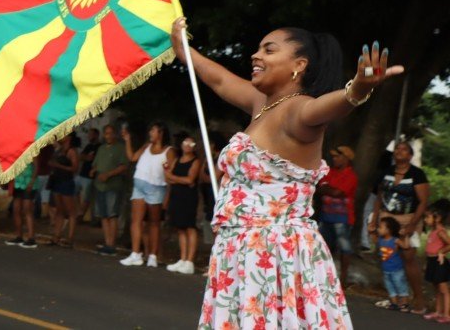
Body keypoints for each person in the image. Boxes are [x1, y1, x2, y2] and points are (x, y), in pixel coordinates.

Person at [172, 19, 402, 328]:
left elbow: (329, 106)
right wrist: (185, 50)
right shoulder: (262, 104)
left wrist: (358, 89)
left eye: (269, 49)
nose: (256, 55)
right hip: (238, 251)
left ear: (299, 65)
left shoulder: (299, 110)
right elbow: (220, 81)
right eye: (257, 49)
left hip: (275, 256)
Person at [368, 141, 430, 314]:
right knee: (388, 254)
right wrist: (375, 218)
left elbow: (423, 202)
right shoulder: (386, 173)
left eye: (404, 149)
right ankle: (397, 297)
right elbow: (380, 196)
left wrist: (411, 225)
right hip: (387, 218)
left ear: (410, 155)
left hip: (409, 217)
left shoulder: (417, 174)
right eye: (397, 148)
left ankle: (419, 299)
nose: (399, 151)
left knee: (408, 257)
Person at [120, 122, 174, 268]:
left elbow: (170, 173)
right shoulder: (146, 146)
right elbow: (132, 157)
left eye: (153, 130)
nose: (150, 133)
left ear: (161, 133)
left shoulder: (168, 151)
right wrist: (127, 140)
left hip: (156, 187)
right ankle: (136, 253)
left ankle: (152, 256)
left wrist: (167, 196)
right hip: (139, 185)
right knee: (136, 220)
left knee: (154, 223)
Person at [316, 145, 359, 287]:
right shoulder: (329, 172)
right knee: (323, 247)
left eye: (337, 156)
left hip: (343, 217)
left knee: (344, 248)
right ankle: (324, 276)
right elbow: (320, 188)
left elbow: (336, 193)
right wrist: (328, 189)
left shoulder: (351, 176)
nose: (334, 159)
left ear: (346, 158)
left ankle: (343, 278)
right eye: (333, 156)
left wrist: (327, 188)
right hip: (326, 216)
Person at [165, 134, 201, 275]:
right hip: (176, 195)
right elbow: (169, 177)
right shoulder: (177, 160)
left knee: (189, 227)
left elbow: (190, 179)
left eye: (191, 143)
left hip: (188, 197)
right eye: (186, 142)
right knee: (180, 228)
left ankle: (190, 261)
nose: (187, 145)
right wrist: (178, 179)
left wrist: (174, 178)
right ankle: (182, 258)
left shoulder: (196, 161)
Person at [90, 125, 128, 256]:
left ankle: (112, 244)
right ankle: (107, 243)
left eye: (111, 133)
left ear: (115, 134)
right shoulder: (101, 148)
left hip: (113, 186)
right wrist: (93, 170)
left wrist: (109, 174)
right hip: (100, 185)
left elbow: (123, 166)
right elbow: (96, 164)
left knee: (112, 215)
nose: (108, 136)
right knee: (103, 215)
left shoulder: (120, 148)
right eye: (106, 133)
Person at [48, 134, 79, 247]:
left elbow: (75, 168)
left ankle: (70, 238)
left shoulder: (71, 151)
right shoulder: (59, 149)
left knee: (70, 211)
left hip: (66, 181)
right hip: (57, 181)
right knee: (59, 210)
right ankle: (56, 236)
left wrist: (59, 166)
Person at [423, 199, 450, 322]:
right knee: (436, 288)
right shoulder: (433, 231)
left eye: (427, 217)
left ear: (437, 218)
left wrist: (441, 252)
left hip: (440, 263)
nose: (425, 219)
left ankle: (447, 314)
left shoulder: (440, 232)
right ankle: (438, 311)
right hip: (432, 262)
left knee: (443, 289)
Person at [376, 217, 410, 311]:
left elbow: (406, 246)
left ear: (388, 230)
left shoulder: (395, 240)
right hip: (386, 269)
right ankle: (394, 303)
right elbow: (373, 239)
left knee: (400, 285)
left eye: (381, 227)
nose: (378, 229)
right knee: (389, 286)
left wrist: (405, 235)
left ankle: (404, 303)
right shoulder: (380, 240)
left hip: (397, 269)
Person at [5, 160, 39, 248]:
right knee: (16, 210)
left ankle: (31, 238)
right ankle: (19, 236)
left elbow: (36, 167)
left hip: (28, 182)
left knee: (27, 210)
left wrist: (32, 181)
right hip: (17, 182)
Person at [76, 128, 100, 223]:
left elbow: (93, 159)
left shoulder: (99, 147)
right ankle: (78, 212)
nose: (89, 136)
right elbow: (81, 157)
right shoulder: (88, 146)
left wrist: (86, 158)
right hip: (82, 173)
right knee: (74, 192)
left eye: (91, 134)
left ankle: (81, 215)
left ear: (96, 135)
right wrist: (86, 157)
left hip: (90, 176)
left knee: (86, 197)